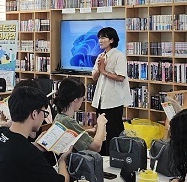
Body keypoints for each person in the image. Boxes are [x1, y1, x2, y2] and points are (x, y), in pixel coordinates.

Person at [90, 27, 131, 155]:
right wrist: (98, 68)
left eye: (103, 37)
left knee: (113, 131)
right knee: (101, 130)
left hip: (113, 100)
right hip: (100, 100)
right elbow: (94, 77)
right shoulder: (101, 56)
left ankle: (115, 156)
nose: (100, 41)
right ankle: (101, 156)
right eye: (99, 38)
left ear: (111, 40)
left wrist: (104, 71)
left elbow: (121, 77)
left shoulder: (118, 55)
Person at [53, 78, 107, 152]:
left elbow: (72, 134)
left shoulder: (59, 117)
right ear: (75, 99)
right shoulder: (67, 121)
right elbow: (96, 147)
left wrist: (86, 131)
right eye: (83, 98)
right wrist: (101, 124)